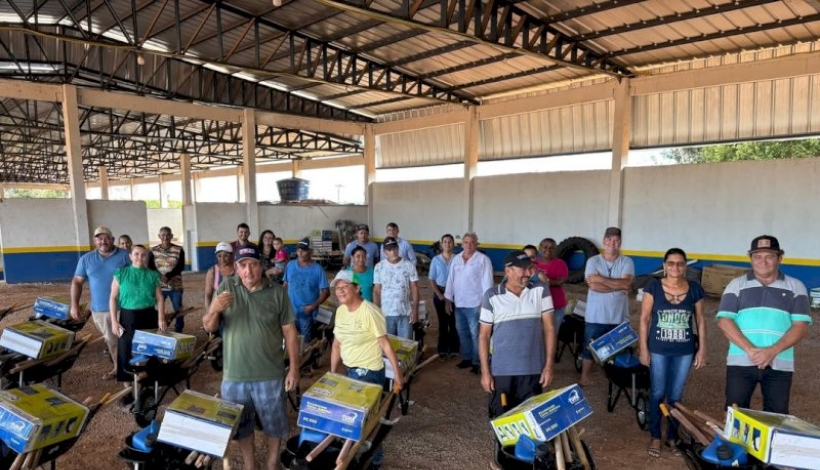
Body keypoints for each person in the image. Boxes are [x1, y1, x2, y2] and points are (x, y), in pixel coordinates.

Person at [202, 245, 300, 470]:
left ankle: (273, 462)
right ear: (236, 268)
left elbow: (290, 333)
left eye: (253, 264)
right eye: (243, 265)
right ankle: (250, 465)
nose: (248, 271)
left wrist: (294, 368)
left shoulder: (277, 293)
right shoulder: (226, 288)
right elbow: (209, 326)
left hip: (269, 372)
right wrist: (215, 308)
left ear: (261, 266)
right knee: (242, 425)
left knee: (274, 424)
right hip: (235, 374)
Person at [717, 235, 812, 414]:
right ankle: (736, 444)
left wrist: (771, 351)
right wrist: (751, 350)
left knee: (776, 416)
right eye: (758, 256)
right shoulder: (736, 285)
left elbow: (800, 325)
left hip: (779, 363)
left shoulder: (796, 287)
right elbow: (724, 321)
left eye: (769, 256)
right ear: (751, 258)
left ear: (779, 258)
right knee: (736, 415)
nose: (763, 261)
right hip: (741, 361)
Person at [329, 270, 403, 470]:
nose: (341, 291)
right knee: (354, 418)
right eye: (337, 288)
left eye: (345, 286)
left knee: (366, 421)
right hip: (350, 371)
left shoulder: (370, 311)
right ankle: (356, 453)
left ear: (357, 288)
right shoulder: (341, 311)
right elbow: (336, 344)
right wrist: (333, 372)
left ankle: (374, 460)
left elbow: (385, 345)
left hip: (369, 373)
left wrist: (397, 374)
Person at [639, 248, 706, 458]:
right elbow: (644, 319)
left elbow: (701, 321)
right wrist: (643, 348)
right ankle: (656, 435)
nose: (675, 267)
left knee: (676, 396)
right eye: (671, 263)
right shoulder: (653, 288)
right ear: (665, 265)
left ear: (685, 266)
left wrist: (702, 349)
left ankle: (673, 436)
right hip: (658, 349)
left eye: (679, 263)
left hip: (684, 351)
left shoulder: (695, 289)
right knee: (658, 393)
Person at [479, 250, 555, 419]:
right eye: (523, 269)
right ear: (508, 271)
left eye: (530, 268)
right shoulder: (492, 296)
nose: (528, 273)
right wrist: (485, 372)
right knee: (503, 419)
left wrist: (549, 366)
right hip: (501, 372)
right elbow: (484, 336)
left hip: (532, 369)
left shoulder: (541, 291)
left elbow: (549, 329)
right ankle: (505, 447)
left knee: (532, 421)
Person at [70, 226, 131, 379]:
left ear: (112, 239)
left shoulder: (125, 256)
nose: (102, 241)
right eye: (99, 238)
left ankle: (132, 370)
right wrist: (74, 305)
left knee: (128, 339)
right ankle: (118, 369)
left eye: (106, 238)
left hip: (125, 307)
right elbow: (77, 282)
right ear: (94, 240)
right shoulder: (86, 259)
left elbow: (139, 276)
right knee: (111, 340)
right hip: (101, 309)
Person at [581, 227, 634, 387]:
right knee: (589, 347)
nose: (613, 243)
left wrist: (601, 279)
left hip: (619, 316)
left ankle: (614, 376)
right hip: (595, 315)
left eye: (616, 240)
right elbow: (593, 286)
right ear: (604, 241)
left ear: (620, 242)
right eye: (609, 239)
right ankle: (584, 376)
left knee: (617, 348)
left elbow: (626, 283)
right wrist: (619, 286)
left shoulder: (627, 261)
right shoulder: (593, 261)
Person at [109, 245, 165, 382]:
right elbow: (113, 298)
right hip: (128, 317)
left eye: (143, 254)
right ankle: (128, 385)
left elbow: (160, 298)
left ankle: (148, 381)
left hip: (148, 315)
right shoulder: (121, 274)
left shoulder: (153, 275)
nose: (140, 257)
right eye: (136, 254)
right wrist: (114, 321)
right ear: (130, 256)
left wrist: (161, 318)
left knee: (149, 349)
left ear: (147, 257)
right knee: (126, 349)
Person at [444, 232, 494, 374]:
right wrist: (448, 298)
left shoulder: (483, 260)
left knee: (476, 334)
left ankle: (477, 362)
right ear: (462, 244)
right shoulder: (457, 259)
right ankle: (466, 358)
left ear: (477, 244)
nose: (468, 245)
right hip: (459, 303)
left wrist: (486, 304)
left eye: (472, 242)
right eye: (466, 242)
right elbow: (451, 280)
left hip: (476, 304)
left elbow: (487, 283)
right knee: (463, 332)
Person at [283, 238, 330, 342]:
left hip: (307, 313)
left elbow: (326, 292)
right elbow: (285, 284)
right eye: (298, 250)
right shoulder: (290, 265)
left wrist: (312, 307)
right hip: (290, 311)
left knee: (306, 342)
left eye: (303, 250)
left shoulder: (318, 269)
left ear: (311, 252)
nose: (300, 252)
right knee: (290, 340)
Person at [373, 237, 419, 340]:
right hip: (386, 314)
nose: (393, 252)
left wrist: (415, 310)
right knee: (388, 347)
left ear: (398, 248)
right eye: (389, 250)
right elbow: (376, 290)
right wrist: (377, 312)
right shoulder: (379, 267)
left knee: (405, 347)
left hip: (405, 313)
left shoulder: (409, 265)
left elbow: (414, 288)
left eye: (394, 248)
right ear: (385, 252)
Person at [429, 234, 458, 359]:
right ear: (441, 244)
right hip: (440, 293)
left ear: (453, 244)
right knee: (442, 322)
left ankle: (454, 348)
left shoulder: (458, 259)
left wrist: (452, 295)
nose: (447, 244)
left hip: (455, 294)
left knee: (453, 322)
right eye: (445, 242)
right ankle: (442, 349)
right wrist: (440, 295)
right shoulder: (436, 260)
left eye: (450, 242)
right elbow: (431, 279)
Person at [152, 227, 185, 333]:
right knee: (156, 309)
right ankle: (157, 327)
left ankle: (179, 329)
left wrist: (168, 276)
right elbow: (150, 266)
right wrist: (159, 276)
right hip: (158, 286)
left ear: (171, 236)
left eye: (167, 235)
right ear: (159, 236)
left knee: (177, 308)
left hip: (175, 285)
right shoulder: (153, 251)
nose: (165, 237)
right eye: (163, 235)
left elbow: (180, 266)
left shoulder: (179, 250)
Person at [536, 238, 569, 334]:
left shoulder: (560, 263)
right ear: (539, 248)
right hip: (537, 306)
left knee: (552, 334)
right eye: (545, 247)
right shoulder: (534, 263)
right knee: (537, 335)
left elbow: (561, 280)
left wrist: (546, 281)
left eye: (552, 248)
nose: (548, 250)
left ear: (555, 250)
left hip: (556, 305)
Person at [205, 242, 235, 307]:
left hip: (237, 309)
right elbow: (208, 295)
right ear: (216, 256)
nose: (222, 259)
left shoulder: (238, 269)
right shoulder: (212, 272)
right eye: (219, 256)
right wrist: (209, 312)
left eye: (226, 255)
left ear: (231, 255)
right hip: (218, 309)